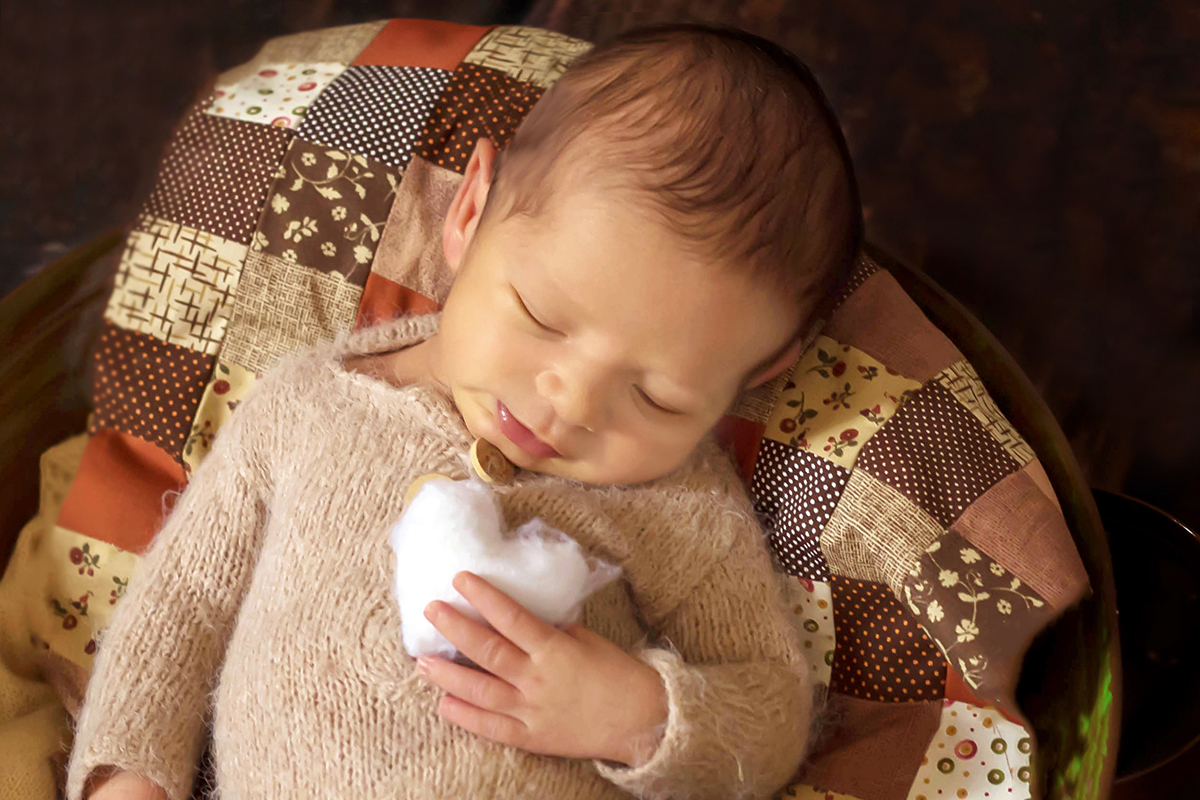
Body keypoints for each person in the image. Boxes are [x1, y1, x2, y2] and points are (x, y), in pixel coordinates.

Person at [68, 22, 862, 800]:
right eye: (542, 317)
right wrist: (126, 772)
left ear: (754, 375)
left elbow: (771, 709)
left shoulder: (683, 505)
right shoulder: (311, 403)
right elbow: (179, 606)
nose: (569, 403)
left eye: (656, 396)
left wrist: (638, 716)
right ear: (469, 211)